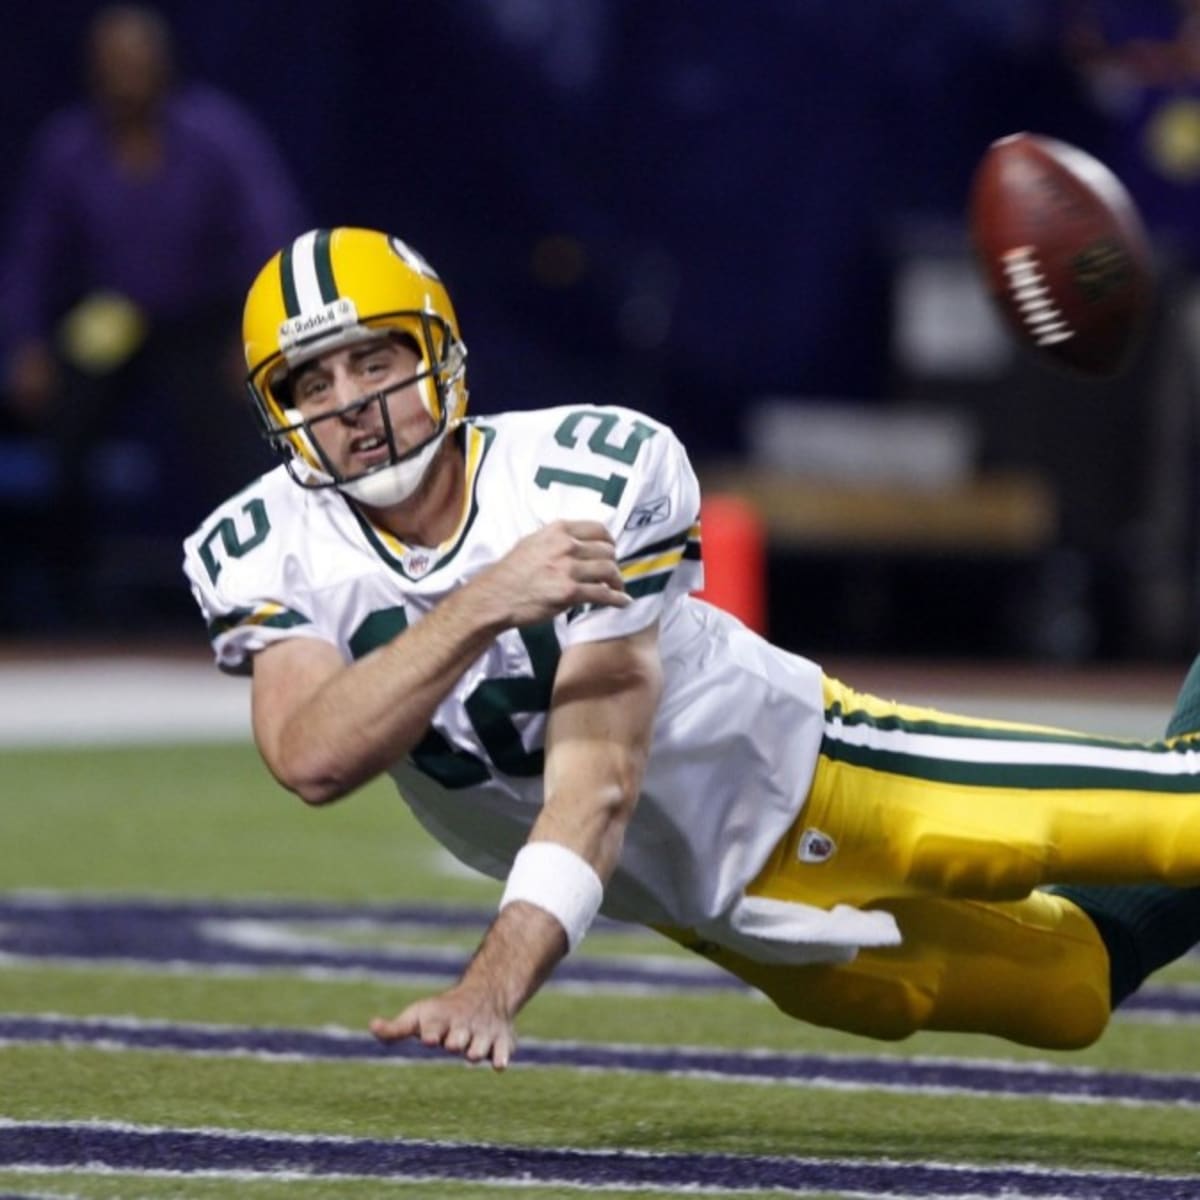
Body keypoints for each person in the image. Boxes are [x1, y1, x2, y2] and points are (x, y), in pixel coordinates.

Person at [184, 226, 1200, 1070]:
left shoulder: (587, 474)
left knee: (1182, 818)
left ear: (439, 354)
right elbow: (312, 756)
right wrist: (486, 600)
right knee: (1072, 991)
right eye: (312, 382)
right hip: (728, 913)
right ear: (281, 412)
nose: (352, 405)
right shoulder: (267, 545)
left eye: (376, 359)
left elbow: (600, 787)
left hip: (838, 778)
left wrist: (492, 987)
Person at [1, 4, 306, 625]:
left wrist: (258, 335)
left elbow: (269, 231)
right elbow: (31, 254)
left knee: (236, 437)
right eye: (113, 63)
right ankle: (66, 601)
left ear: (162, 64)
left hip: (201, 321)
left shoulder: (216, 133)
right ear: (93, 70)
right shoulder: (68, 146)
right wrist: (24, 344)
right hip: (112, 319)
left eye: (137, 61)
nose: (126, 75)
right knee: (63, 421)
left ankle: (257, 590)